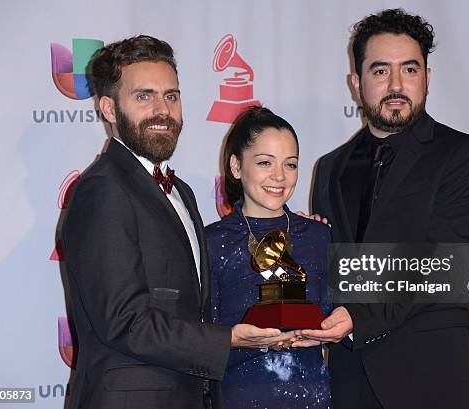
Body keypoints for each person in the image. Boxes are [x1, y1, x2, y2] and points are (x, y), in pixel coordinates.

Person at [61, 36, 294, 409]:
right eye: (144, 96)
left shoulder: (179, 191)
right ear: (108, 108)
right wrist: (226, 339)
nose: (162, 110)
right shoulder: (102, 191)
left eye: (171, 96)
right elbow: (124, 321)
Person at [298, 9, 469, 409]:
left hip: (435, 377)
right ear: (356, 83)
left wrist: (357, 315)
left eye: (409, 69)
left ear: (426, 77)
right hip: (350, 381)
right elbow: (336, 269)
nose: (396, 85)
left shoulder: (463, 155)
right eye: (379, 71)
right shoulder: (330, 167)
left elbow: (443, 264)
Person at [205, 106, 332, 409]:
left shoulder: (319, 236)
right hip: (240, 397)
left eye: (290, 165)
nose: (279, 176)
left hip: (312, 397)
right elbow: (200, 336)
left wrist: (332, 327)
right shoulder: (211, 241)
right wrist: (234, 339)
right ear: (236, 167)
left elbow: (333, 315)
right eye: (264, 162)